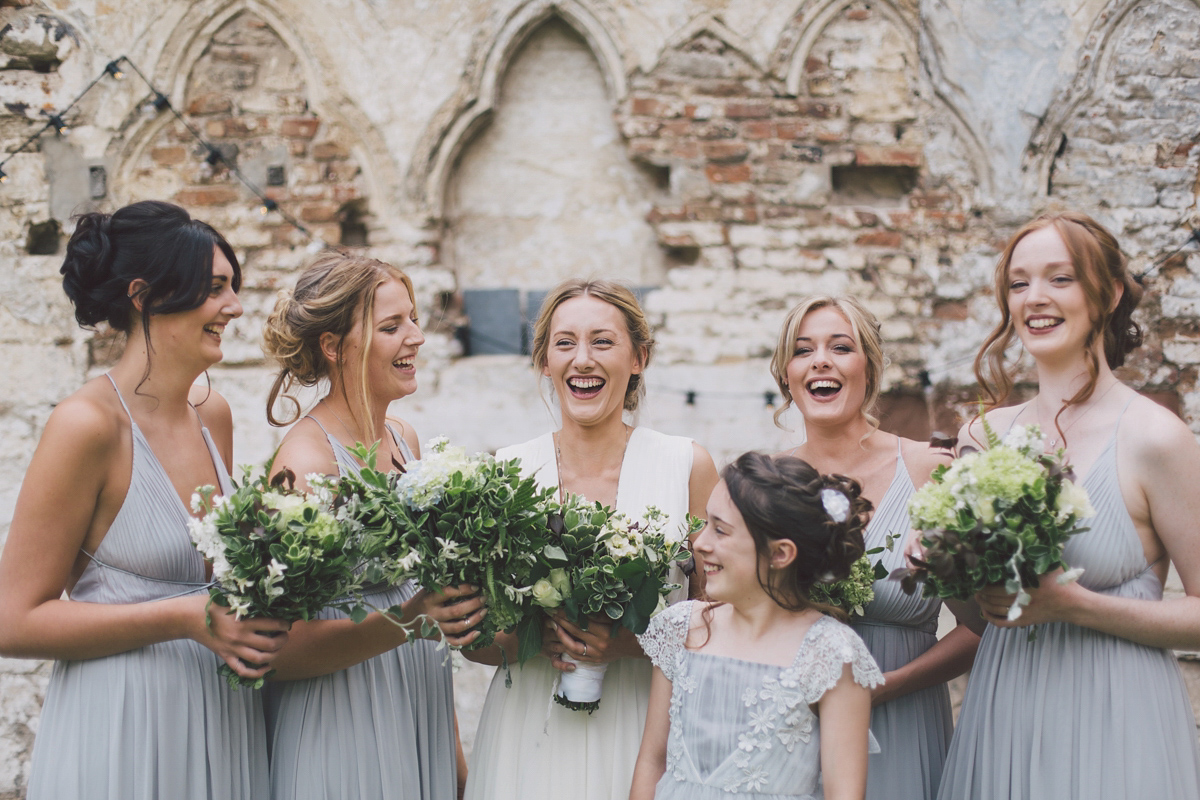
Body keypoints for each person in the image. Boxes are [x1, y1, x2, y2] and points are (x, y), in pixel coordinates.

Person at [0, 200, 290, 799]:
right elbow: (13, 620)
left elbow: (214, 574)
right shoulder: (87, 425)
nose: (233, 307)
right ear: (144, 296)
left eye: (231, 288)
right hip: (122, 724)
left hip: (219, 719)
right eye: (214, 289)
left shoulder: (214, 416)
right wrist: (185, 617)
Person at [938, 212, 1200, 799]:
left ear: (1106, 294)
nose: (1035, 298)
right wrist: (945, 561)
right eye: (1019, 282)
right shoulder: (982, 438)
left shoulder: (1155, 438)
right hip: (1005, 713)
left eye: (1060, 279)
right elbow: (979, 616)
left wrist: (1073, 605)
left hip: (1119, 718)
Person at [463, 279, 719, 800]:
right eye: (564, 343)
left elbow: (723, 622)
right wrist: (531, 637)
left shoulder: (687, 465)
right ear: (543, 361)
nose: (583, 359)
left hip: (645, 731)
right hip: (526, 733)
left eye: (602, 341)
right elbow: (478, 644)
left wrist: (629, 644)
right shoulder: (507, 472)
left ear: (638, 357)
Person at [260, 251, 485, 800]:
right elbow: (280, 651)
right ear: (333, 347)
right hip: (340, 719)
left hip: (416, 705)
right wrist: (408, 618)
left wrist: (453, 758)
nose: (417, 337)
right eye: (392, 326)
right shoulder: (307, 464)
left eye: (412, 319)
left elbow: (425, 611)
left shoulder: (404, 439)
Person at [767, 296, 979, 799]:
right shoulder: (765, 483)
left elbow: (980, 625)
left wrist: (890, 684)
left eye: (841, 347)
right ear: (787, 376)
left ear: (870, 368)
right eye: (803, 350)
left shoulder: (932, 468)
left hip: (903, 718)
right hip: (796, 725)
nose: (821, 360)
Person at [630, 452, 883, 800]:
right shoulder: (681, 629)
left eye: (720, 529)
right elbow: (651, 762)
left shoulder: (830, 653)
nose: (700, 542)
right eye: (705, 524)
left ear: (780, 554)